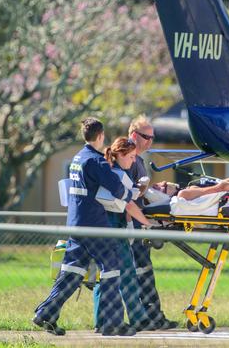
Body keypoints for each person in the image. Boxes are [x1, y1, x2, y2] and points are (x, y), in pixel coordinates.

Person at [33, 118, 136, 336]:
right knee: (112, 268)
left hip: (75, 225)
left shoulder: (77, 158)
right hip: (94, 226)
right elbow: (116, 188)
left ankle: (45, 314)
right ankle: (112, 323)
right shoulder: (96, 161)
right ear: (100, 136)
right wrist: (131, 194)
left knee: (71, 273)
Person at [92, 137, 155, 332]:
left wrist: (130, 224)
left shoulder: (109, 172)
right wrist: (147, 223)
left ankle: (101, 321)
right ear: (119, 154)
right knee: (127, 273)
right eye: (131, 156)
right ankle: (138, 318)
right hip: (113, 229)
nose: (134, 161)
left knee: (106, 276)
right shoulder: (117, 175)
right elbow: (128, 204)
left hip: (106, 227)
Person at [125, 116, 177, 329]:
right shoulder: (127, 159)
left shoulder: (137, 160)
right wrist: (141, 223)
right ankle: (147, 318)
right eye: (147, 137)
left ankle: (152, 317)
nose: (150, 142)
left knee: (144, 271)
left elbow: (136, 193)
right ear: (134, 135)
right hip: (130, 224)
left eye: (153, 138)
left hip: (137, 223)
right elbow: (126, 198)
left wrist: (154, 190)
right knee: (138, 272)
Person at [152, 171, 229, 201]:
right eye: (159, 186)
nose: (164, 181)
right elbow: (219, 189)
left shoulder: (186, 191)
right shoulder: (184, 194)